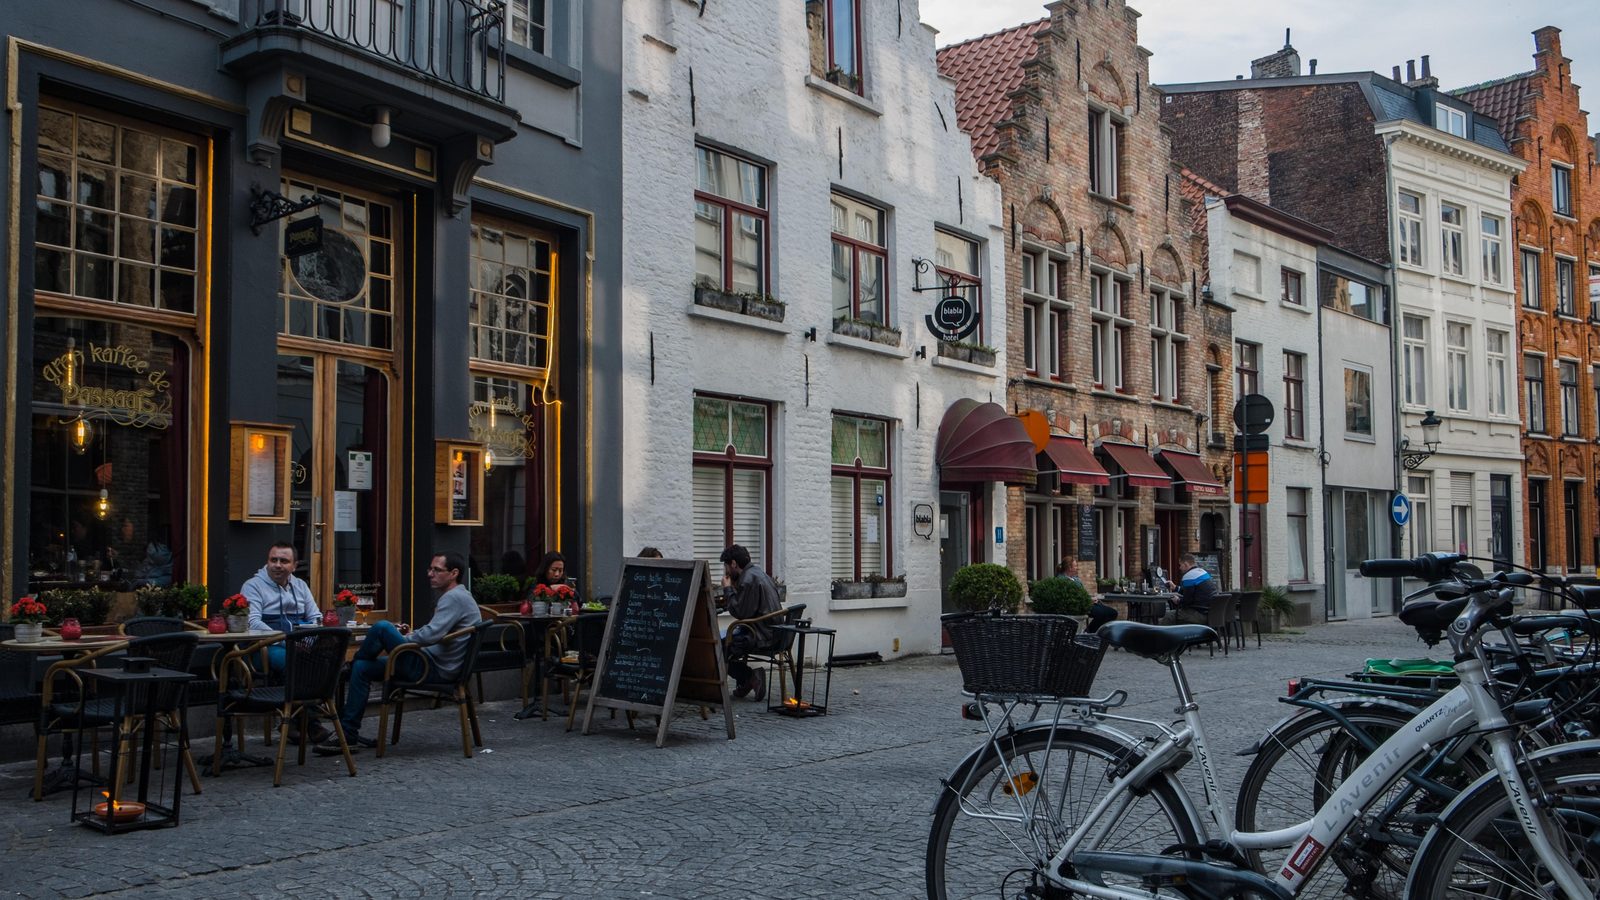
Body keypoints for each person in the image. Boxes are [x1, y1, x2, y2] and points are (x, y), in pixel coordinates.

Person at [318, 551, 482, 754]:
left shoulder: (453, 598)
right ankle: (348, 734)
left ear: (454, 573)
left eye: (437, 570)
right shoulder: (460, 596)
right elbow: (435, 633)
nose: (430, 574)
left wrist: (403, 640)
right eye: (430, 569)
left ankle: (346, 668)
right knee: (362, 668)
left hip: (432, 668)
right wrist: (410, 634)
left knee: (382, 627)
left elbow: (431, 635)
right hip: (432, 662)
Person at [240, 541, 327, 742]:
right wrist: (286, 641)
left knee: (323, 659)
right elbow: (253, 622)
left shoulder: (300, 585)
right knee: (296, 661)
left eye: (284, 561)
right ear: (267, 562)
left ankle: (297, 720)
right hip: (263, 647)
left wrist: (309, 641)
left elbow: (315, 617)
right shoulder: (253, 586)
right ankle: (311, 722)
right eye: (274, 560)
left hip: (297, 644)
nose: (277, 565)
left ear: (294, 566)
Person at [717, 544, 780, 702]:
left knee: (717, 647)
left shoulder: (748, 579)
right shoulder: (757, 573)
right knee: (724, 639)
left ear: (733, 564)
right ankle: (746, 682)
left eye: (726, 566)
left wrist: (728, 589)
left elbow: (741, 612)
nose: (726, 572)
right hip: (773, 631)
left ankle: (750, 677)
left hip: (762, 635)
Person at [1159, 553, 1217, 626]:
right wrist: (1176, 588)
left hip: (1200, 615)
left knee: (1169, 616)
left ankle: (1160, 636)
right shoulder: (1202, 572)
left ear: (1186, 564)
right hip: (1210, 614)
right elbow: (1192, 592)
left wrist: (1177, 601)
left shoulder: (1189, 576)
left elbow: (1187, 602)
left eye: (1180, 565)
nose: (1179, 568)